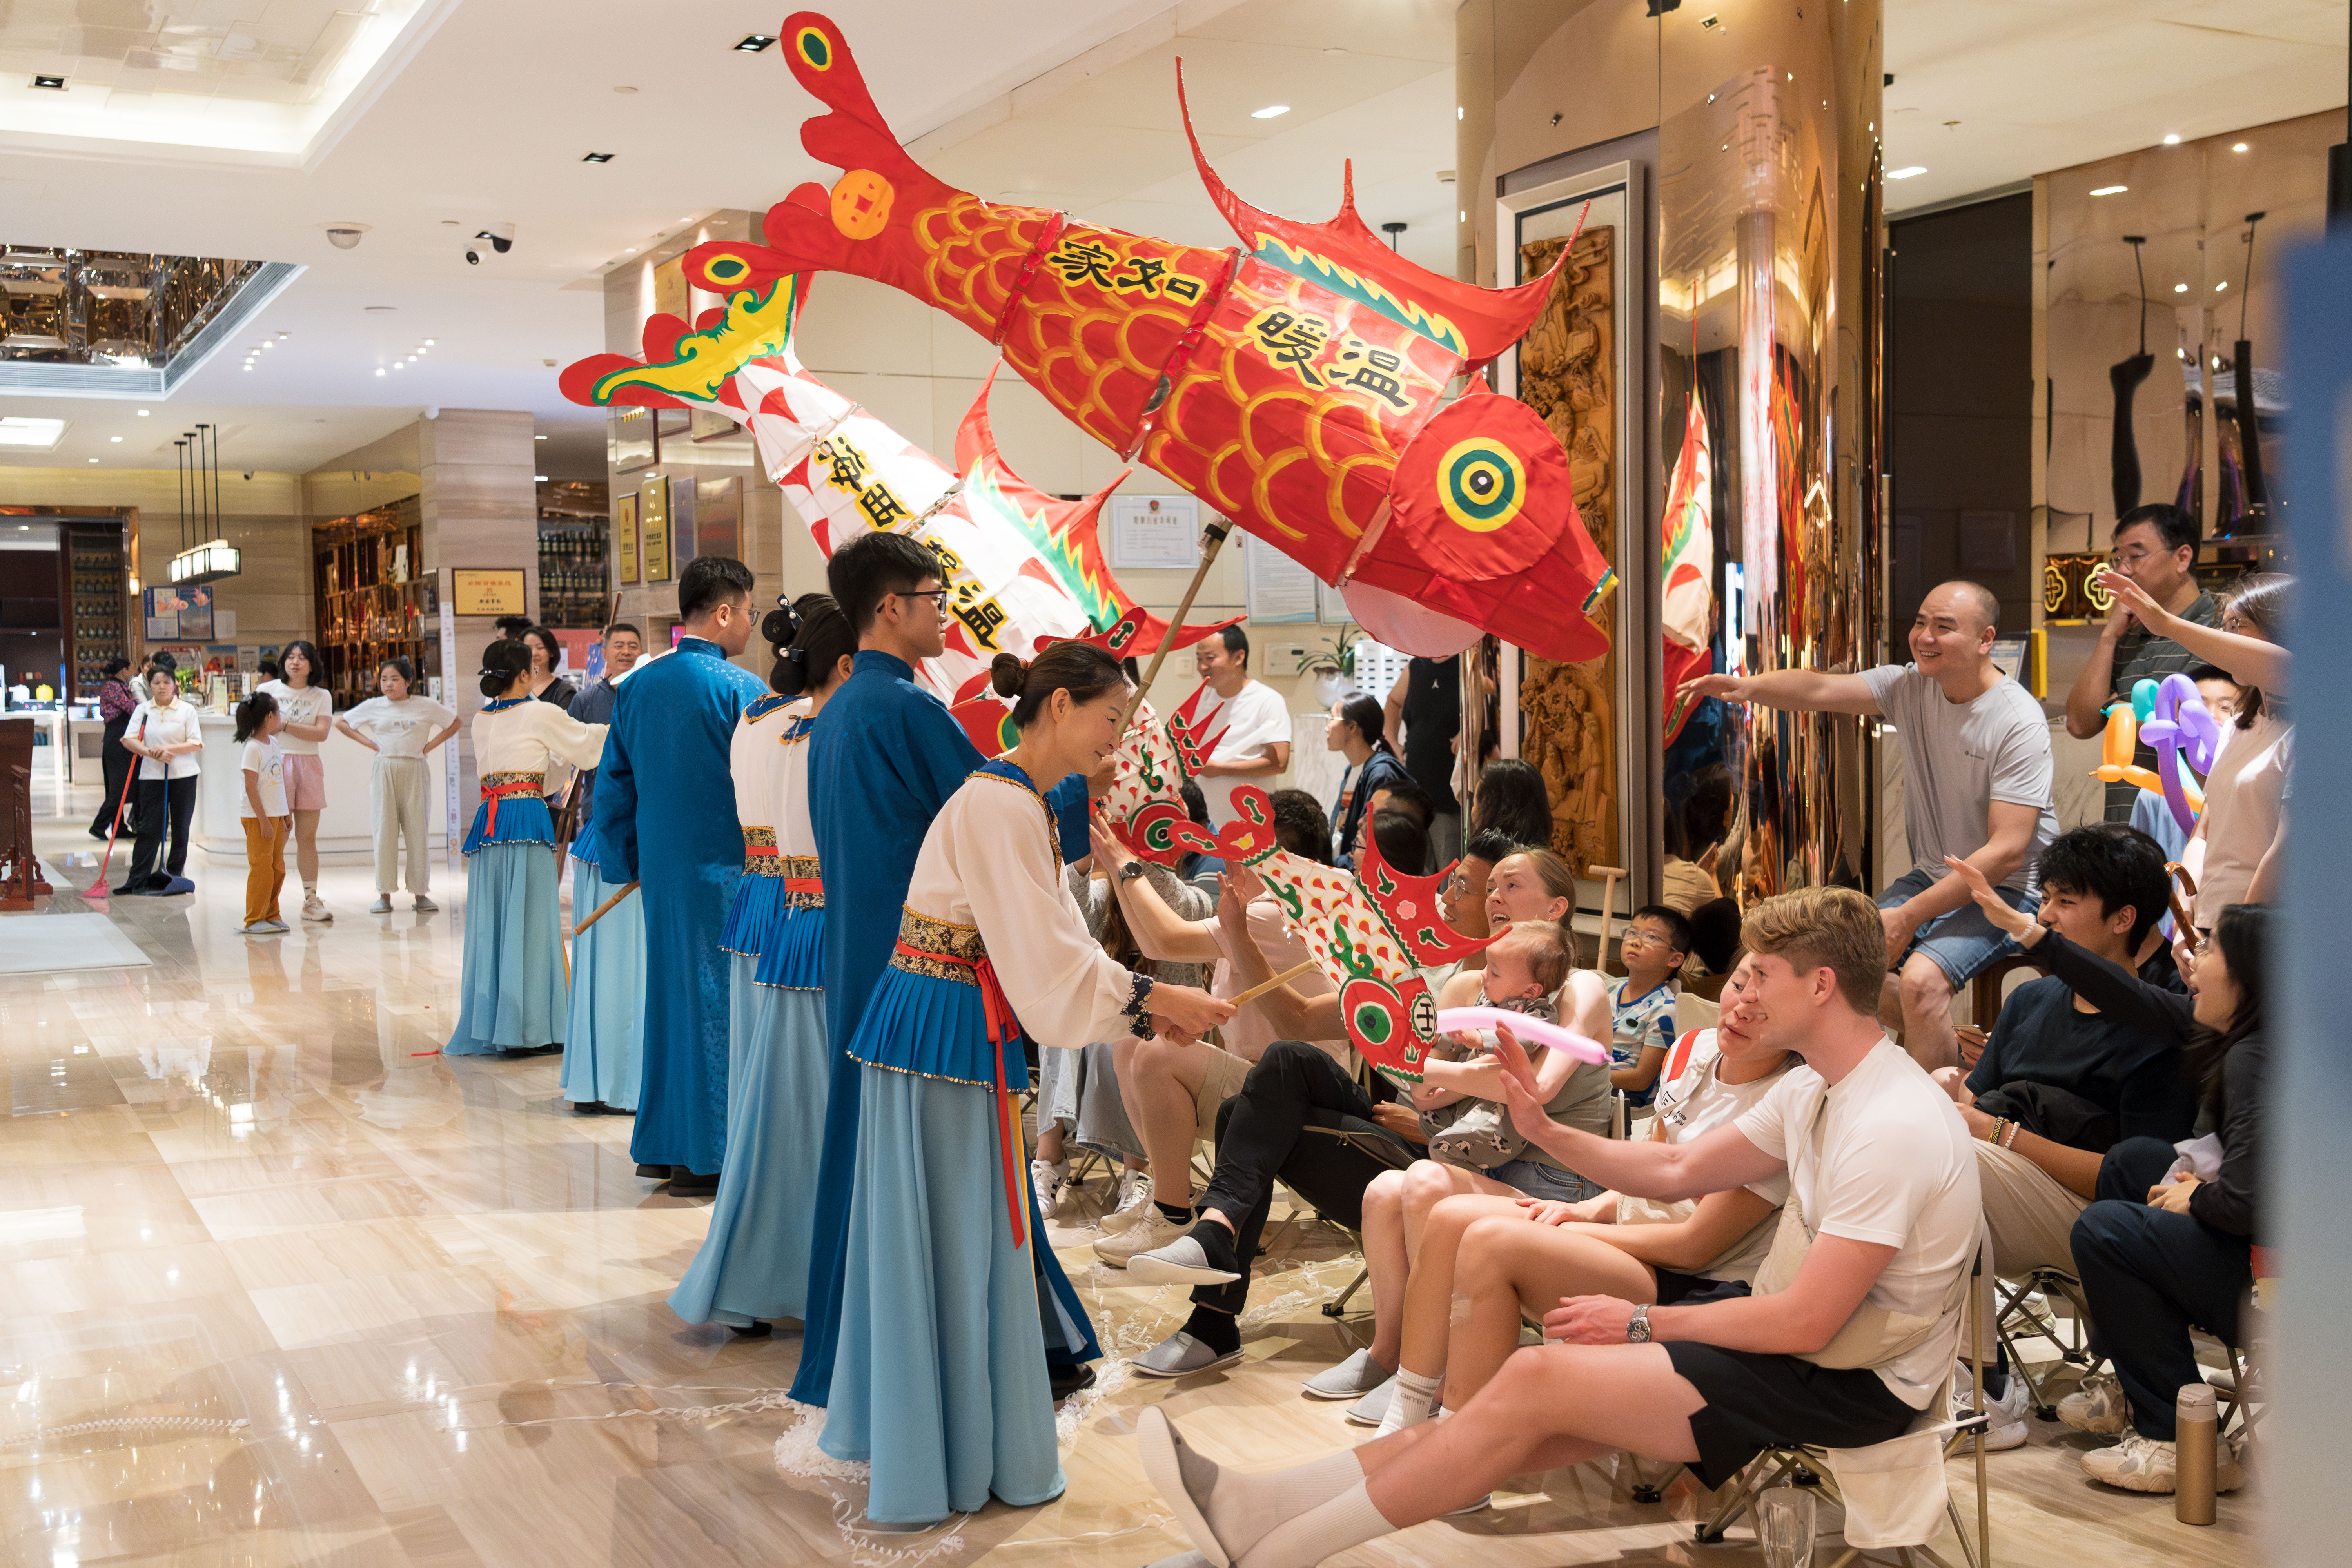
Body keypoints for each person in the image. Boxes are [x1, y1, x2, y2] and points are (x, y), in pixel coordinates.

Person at [1135, 886, 1983, 1568]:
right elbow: (1678, 1170)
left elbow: (1808, 1321)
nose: (1743, 991)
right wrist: (1544, 1129)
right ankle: (1258, 1515)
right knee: (1512, 1404)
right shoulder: (1817, 1087)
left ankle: (1265, 1544)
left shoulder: (1891, 1119)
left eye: (1760, 973)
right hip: (1795, 1345)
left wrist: (1644, 1320)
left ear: (1822, 984)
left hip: (1855, 1380)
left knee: (1534, 1382)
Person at [817, 641, 1232, 1525]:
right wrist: (1151, 997)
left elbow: (1055, 954)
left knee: (963, 1233)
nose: (1117, 743)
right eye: (1110, 719)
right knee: (964, 1233)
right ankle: (952, 1447)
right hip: (947, 1025)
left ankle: (954, 1438)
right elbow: (1045, 961)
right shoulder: (1002, 802)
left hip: (946, 1021)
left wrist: (1145, 1001)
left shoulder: (1017, 799)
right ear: (1056, 707)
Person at [792, 532, 1095, 1409]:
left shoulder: (845, 707)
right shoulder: (907, 711)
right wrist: (1076, 768)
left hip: (867, 959)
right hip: (931, 977)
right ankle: (981, 1348)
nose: (945, 608)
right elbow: (999, 812)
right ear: (892, 606)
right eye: (933, 595)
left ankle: (876, 1343)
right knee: (965, 1164)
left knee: (883, 1157)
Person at [1370, 957, 1797, 1437]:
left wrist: (1583, 1226)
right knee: (1449, 1217)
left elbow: (1695, 1246)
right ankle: (1407, 1412)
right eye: (1738, 985)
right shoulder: (1693, 1048)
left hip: (1689, 1279)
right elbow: (1650, 1168)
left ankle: (1459, 1436)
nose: (1741, 1007)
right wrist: (1587, 1210)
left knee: (1490, 1239)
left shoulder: (1789, 1096)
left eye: (1763, 1004)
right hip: (1620, 1230)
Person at [1682, 579, 2059, 1071]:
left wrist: (1909, 916)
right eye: (1921, 623)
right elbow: (1819, 688)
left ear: (1986, 640)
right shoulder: (1910, 685)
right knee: (1822, 961)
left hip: (2009, 887)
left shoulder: (2016, 720)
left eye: (1943, 627)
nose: (1925, 636)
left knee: (1923, 983)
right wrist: (1745, 687)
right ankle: (1944, 1062)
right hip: (1933, 872)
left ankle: (1938, 1121)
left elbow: (2009, 849)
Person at [1933, 830, 2200, 1446]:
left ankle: (1988, 1386)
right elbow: (1978, 1100)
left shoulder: (2162, 1033)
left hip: (2096, 1218)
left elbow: (2140, 1180)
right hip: (2002, 1186)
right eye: (2045, 897)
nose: (2046, 915)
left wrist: (2002, 1134)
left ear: (2123, 918)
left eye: (2066, 901)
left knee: (1950, 1161)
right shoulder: (2029, 1001)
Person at [671, 593, 857, 1331]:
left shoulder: (756, 720)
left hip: (764, 901)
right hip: (808, 915)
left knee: (762, 1091)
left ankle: (757, 1255)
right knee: (798, 1100)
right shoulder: (819, 727)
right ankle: (791, 1261)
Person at [1089, 789, 1349, 1267]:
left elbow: (1165, 940)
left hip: (1294, 1095)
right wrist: (1119, 862)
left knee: (1152, 1052)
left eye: (1242, 849)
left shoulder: (1282, 912)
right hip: (1260, 1082)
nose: (1228, 861)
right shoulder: (1269, 909)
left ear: (1275, 858)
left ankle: (1171, 1211)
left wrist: (1126, 863)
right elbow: (1154, 939)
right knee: (1131, 1042)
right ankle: (1174, 1196)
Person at [2057, 902, 2265, 1496]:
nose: (2193, 960)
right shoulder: (2258, 1039)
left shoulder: (2256, 1057)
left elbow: (2251, 1204)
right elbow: (2135, 998)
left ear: (2251, 975)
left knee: (2104, 1229)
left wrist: (2197, 1200)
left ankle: (2176, 1439)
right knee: (2135, 1162)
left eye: (2210, 948)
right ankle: (2137, 1378)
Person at [590, 555, 769, 1196]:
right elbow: (765, 792)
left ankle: (663, 1146)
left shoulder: (637, 687)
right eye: (749, 611)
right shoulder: (743, 692)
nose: (752, 624)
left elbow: (613, 787)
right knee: (719, 1006)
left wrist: (630, 864)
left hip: (666, 872)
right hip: (729, 871)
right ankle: (709, 1155)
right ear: (723, 614)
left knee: (670, 1001)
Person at [2102, 570, 2292, 932]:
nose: (2223, 639)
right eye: (2223, 626)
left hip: (2267, 933)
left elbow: (2284, 853)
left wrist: (2166, 624)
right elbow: (2204, 834)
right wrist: (2186, 922)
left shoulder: (2311, 726)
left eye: (2238, 624)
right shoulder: (2239, 725)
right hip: (2211, 928)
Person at [445, 641, 609, 1057]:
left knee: (495, 921)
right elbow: (589, 746)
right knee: (533, 920)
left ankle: (501, 1023)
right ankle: (532, 1026)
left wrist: (556, 755)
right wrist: (617, 718)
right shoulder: (540, 712)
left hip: (491, 820)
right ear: (526, 673)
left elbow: (543, 766)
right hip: (526, 819)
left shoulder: (482, 720)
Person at [2062, 503, 2220, 824]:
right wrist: (2109, 637)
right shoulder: (2128, 634)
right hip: (2125, 823)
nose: (2123, 570)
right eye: (2118, 558)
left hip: (2194, 822)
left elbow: (2198, 726)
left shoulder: (2220, 625)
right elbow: (2080, 724)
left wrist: (2122, 712)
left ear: (2183, 558)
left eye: (2136, 556)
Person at [335, 659, 460, 914]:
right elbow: (342, 724)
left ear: (408, 681)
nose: (388, 684)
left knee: (418, 831)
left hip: (415, 769)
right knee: (385, 831)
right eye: (384, 679)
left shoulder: (425, 705)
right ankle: (384, 895)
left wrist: (430, 746)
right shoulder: (373, 706)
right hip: (384, 770)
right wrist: (369, 743)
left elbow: (455, 723)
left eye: (394, 679)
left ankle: (421, 894)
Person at [258, 640, 337, 924]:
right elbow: (256, 729)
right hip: (275, 765)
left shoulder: (321, 695)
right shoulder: (266, 691)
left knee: (307, 837)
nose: (295, 662)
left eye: (302, 658)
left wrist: (285, 726)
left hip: (308, 764)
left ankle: (311, 899)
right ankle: (267, 902)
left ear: (312, 664)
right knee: (277, 837)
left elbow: (321, 734)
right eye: (290, 657)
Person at [119, 664, 206, 895]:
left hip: (184, 777)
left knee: (181, 828)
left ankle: (174, 876)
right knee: (150, 828)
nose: (162, 687)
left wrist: (168, 749)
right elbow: (128, 740)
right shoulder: (144, 710)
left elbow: (196, 743)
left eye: (167, 682)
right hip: (152, 776)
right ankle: (137, 879)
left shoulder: (187, 710)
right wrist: (151, 752)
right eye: (156, 683)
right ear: (149, 686)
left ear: (175, 684)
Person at [1193, 626, 1291, 826]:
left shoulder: (1268, 700)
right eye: (1199, 659)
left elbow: (1279, 763)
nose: (1203, 667)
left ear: (1238, 657)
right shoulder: (1203, 698)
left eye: (1210, 658)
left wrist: (1222, 769)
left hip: (1250, 820)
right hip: (1207, 821)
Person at [1610, 905, 1693, 1106]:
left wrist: (1584, 1077)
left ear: (1674, 959)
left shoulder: (1664, 1010)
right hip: (1593, 1086)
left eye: (1651, 937)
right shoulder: (1607, 988)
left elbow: (1641, 1080)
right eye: (1632, 932)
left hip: (1626, 1103)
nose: (1635, 942)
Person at [1385, 654, 1461, 862]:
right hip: (1417, 792)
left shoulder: (1466, 665)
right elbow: (1392, 702)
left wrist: (1470, 730)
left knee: (1448, 873)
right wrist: (1394, 744)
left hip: (1449, 795)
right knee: (1418, 870)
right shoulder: (1416, 667)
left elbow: (1489, 698)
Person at [563, 622, 641, 828]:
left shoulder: (655, 696)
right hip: (600, 807)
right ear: (604, 653)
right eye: (619, 645)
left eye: (633, 646)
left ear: (642, 653)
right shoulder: (585, 700)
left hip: (646, 807)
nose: (626, 652)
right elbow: (570, 754)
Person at [1324, 692, 1410, 866]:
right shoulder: (1353, 769)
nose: (1327, 727)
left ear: (1352, 727)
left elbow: (1372, 842)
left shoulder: (1381, 773)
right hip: (1344, 869)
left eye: (1332, 718)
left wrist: (1334, 864)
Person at [233, 691, 291, 936]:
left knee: (277, 867)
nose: (281, 717)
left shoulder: (274, 743)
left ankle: (271, 913)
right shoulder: (253, 749)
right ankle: (254, 918)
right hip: (259, 818)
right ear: (270, 717)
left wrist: (286, 813)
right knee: (261, 867)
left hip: (276, 816)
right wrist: (264, 821)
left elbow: (279, 782)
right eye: (278, 712)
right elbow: (251, 787)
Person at [88, 657, 138, 842]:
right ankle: (99, 825)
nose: (132, 672)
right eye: (131, 669)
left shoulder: (120, 685)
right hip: (117, 740)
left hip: (121, 738)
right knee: (118, 787)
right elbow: (130, 707)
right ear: (123, 670)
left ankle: (120, 828)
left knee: (121, 785)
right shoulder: (113, 686)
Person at [1468, 757, 1551, 854]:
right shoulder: (1541, 859)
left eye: (1474, 804)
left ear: (1493, 811)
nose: (1473, 811)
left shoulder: (1492, 865)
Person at [519, 624, 579, 710]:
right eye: (528, 648)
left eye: (540, 648)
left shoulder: (564, 692)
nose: (534, 653)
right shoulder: (514, 688)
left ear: (551, 652)